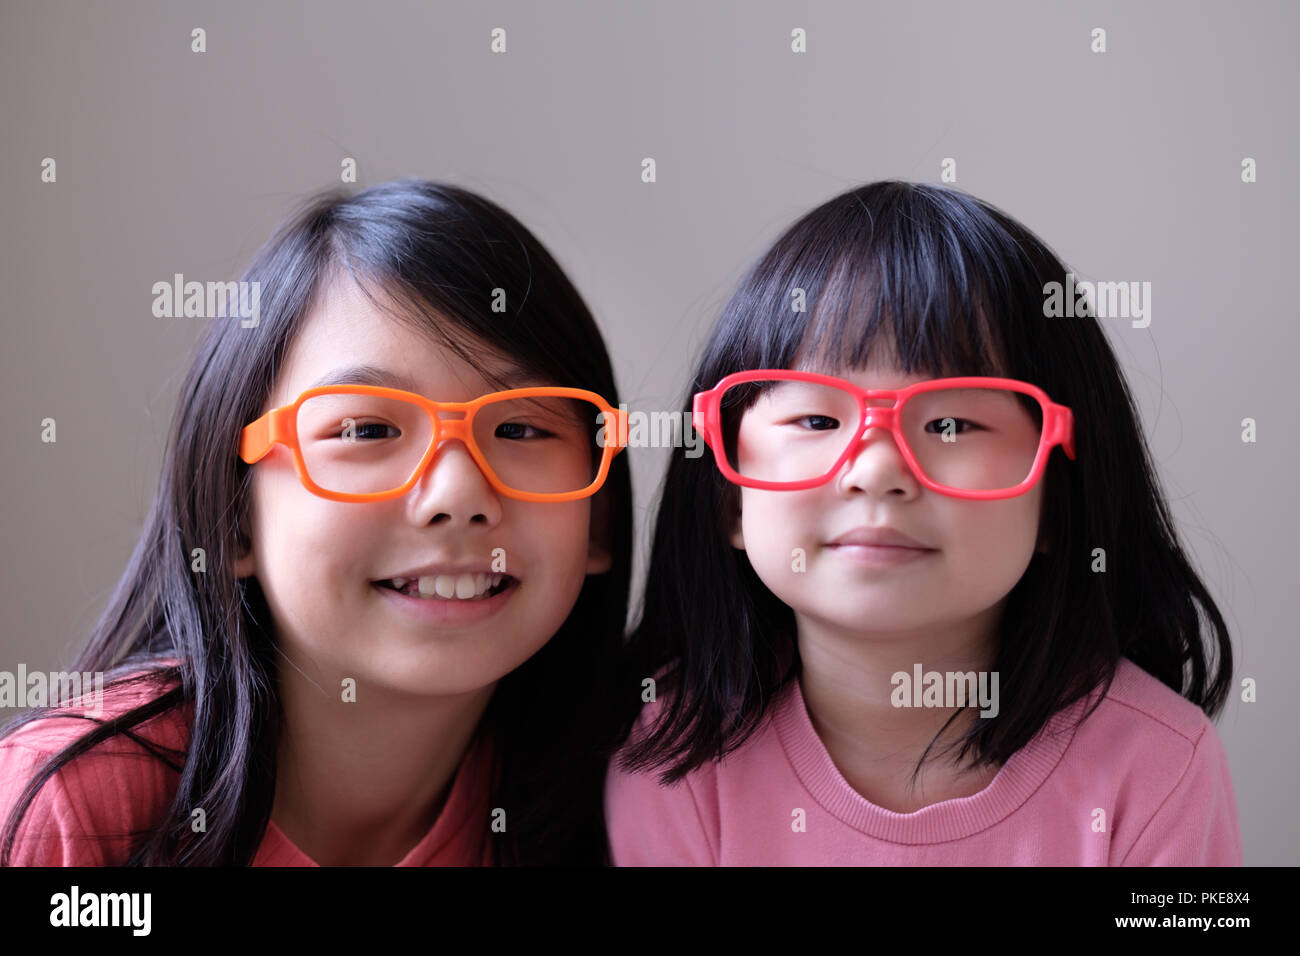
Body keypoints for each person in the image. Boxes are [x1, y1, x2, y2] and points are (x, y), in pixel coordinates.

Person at [605, 180, 1242, 865]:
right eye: (817, 419)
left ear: (1058, 497)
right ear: (729, 492)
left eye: (950, 423)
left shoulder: (1160, 766)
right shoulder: (673, 757)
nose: (876, 470)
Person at [0, 178, 633, 866]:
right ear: (236, 519)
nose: (457, 493)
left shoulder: (633, 804)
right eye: (365, 428)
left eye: (518, 427)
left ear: (596, 521)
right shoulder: (74, 810)